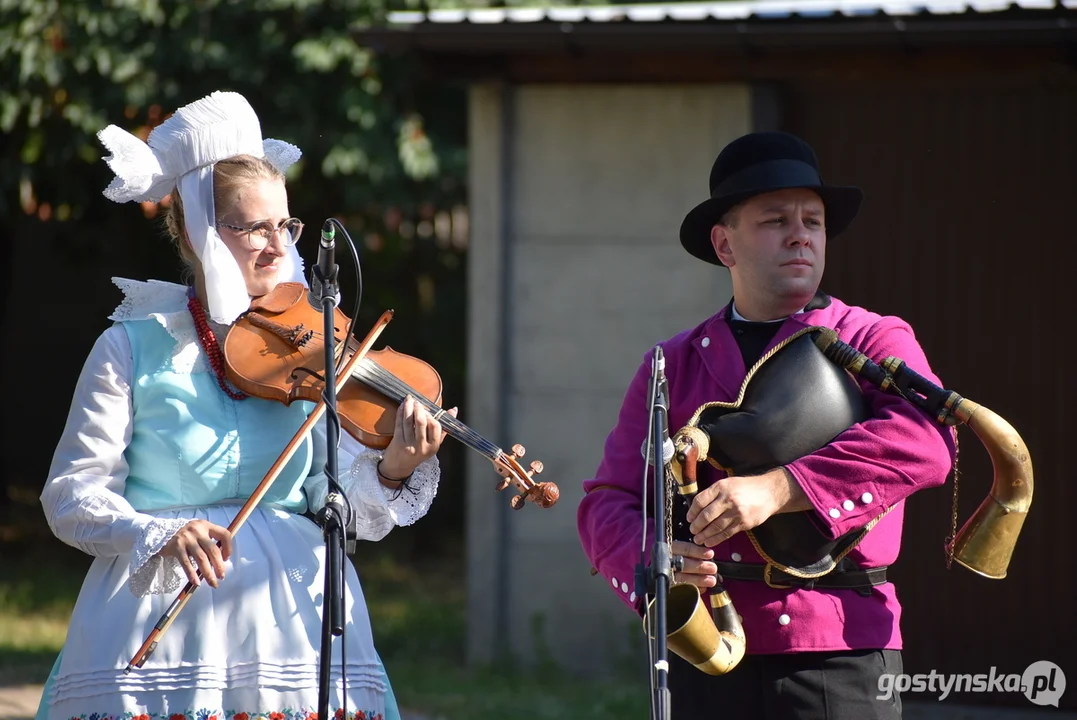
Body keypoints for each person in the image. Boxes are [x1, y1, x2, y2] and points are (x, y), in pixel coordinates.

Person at [36, 90, 454, 720]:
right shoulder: (129, 346)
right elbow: (71, 496)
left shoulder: (313, 346)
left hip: (292, 614)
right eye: (252, 226)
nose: (276, 245)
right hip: (161, 611)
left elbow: (339, 504)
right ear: (193, 227)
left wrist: (392, 467)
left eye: (284, 225)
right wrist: (161, 532)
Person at [576, 131, 957, 719]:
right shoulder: (669, 364)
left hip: (841, 649)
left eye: (813, 219)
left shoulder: (873, 337)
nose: (801, 233)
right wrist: (656, 562)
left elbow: (928, 441)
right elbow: (607, 502)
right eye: (775, 219)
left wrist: (779, 489)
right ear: (725, 245)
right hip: (703, 651)